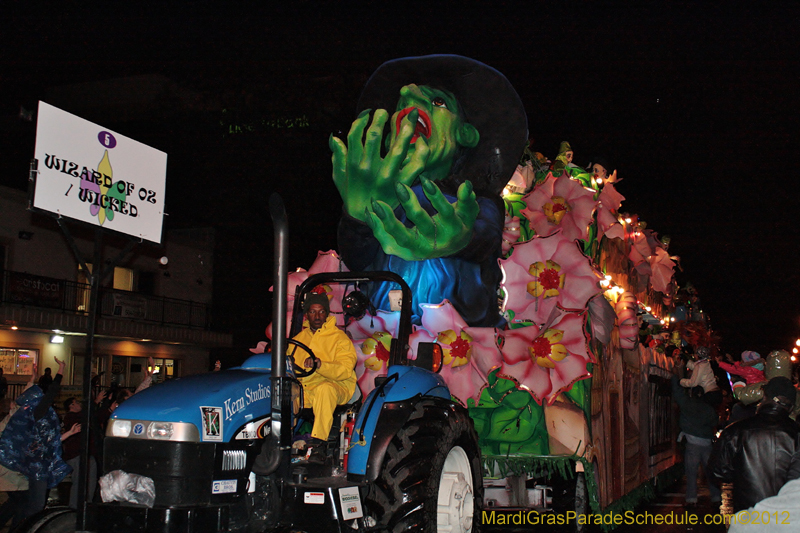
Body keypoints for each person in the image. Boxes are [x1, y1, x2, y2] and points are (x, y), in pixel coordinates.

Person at [333, 54, 528, 328]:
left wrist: (459, 237)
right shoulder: (385, 201)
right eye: (401, 106)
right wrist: (357, 220)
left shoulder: (477, 201)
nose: (409, 100)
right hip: (382, 339)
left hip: (459, 344)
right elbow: (356, 259)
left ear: (465, 133)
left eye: (438, 102)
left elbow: (484, 237)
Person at [710, 376, 800, 513]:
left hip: (748, 512)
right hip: (787, 514)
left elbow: (718, 471)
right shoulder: (796, 433)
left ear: (764, 398)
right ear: (791, 406)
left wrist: (741, 474)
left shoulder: (736, 431)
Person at [0, 358, 70, 521]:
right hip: (25, 469)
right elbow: (49, 395)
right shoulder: (26, 416)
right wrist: (60, 370)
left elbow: (28, 396)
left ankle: (19, 527)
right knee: (30, 505)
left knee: (22, 504)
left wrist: (32, 377)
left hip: (24, 468)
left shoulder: (20, 417)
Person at [291, 293, 357, 463]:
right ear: (307, 314)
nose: (317, 316)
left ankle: (319, 445)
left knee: (324, 389)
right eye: (312, 312)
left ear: (327, 313)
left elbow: (344, 370)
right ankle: (279, 441)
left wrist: (321, 365)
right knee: (283, 391)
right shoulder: (298, 340)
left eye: (321, 311)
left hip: (336, 386)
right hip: (307, 390)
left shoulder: (339, 338)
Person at [671, 364, 722, 508]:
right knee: (710, 472)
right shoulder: (708, 408)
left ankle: (691, 499)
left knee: (691, 472)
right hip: (707, 444)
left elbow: (677, 392)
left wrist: (674, 375)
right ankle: (716, 497)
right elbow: (715, 422)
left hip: (692, 443)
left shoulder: (687, 403)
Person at [61, 397, 98, 509]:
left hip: (86, 453)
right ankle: (75, 507)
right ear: (71, 406)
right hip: (77, 454)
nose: (79, 404)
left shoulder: (80, 416)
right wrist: (95, 402)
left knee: (90, 481)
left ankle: (86, 505)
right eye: (76, 403)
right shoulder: (71, 417)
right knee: (79, 482)